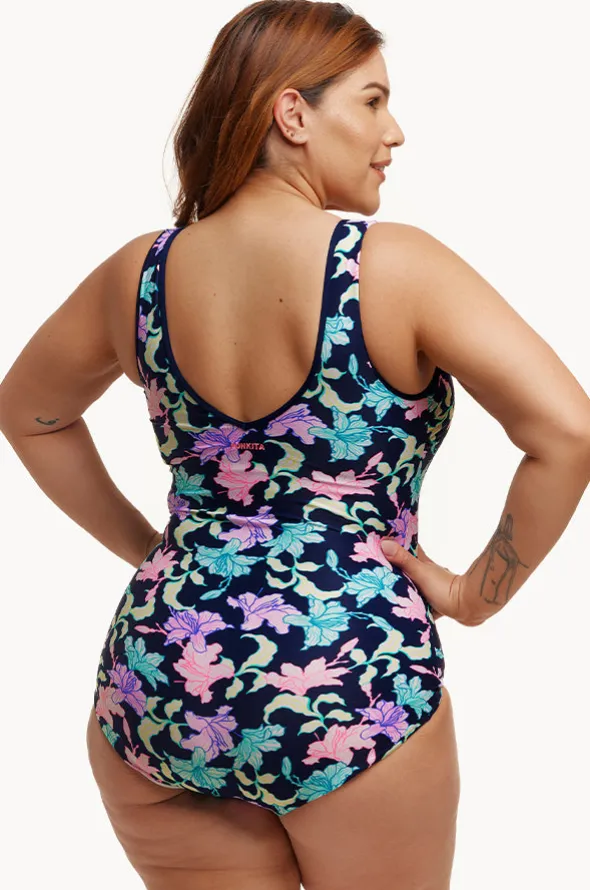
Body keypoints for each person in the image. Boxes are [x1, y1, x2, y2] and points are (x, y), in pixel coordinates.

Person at [1, 2, 589, 889]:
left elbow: (29, 414)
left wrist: (154, 552)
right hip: (348, 683)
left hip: (160, 677)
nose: (394, 132)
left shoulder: (141, 273)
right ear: (293, 115)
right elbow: (568, 430)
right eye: (372, 101)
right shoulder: (393, 265)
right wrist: (474, 595)